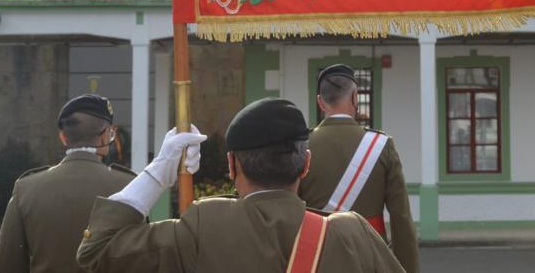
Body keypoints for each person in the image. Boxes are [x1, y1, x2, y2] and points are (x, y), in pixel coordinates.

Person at [77, 98, 404, 272]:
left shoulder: (204, 229)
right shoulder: (353, 236)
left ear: (232, 166)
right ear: (305, 165)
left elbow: (97, 253)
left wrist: (157, 173)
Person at [0, 95, 135, 273]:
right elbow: (144, 259)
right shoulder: (128, 185)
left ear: (63, 137)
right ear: (104, 136)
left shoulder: (26, 188)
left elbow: (7, 265)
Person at [297, 65, 419, 272]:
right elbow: (401, 218)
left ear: (319, 102)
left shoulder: (302, 146)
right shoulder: (381, 146)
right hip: (369, 257)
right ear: (355, 97)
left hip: (317, 257)